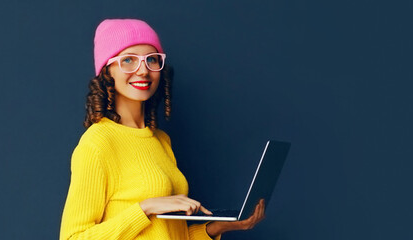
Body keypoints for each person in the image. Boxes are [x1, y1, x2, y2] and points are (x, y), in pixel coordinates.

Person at [60, 19, 265, 240]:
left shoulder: (161, 140)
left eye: (152, 60)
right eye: (128, 60)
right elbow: (73, 237)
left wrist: (217, 228)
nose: (143, 71)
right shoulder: (98, 143)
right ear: (107, 70)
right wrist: (145, 208)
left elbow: (167, 234)